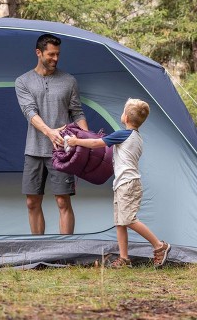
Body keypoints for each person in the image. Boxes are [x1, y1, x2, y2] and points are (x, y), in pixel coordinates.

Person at [67, 98, 171, 268]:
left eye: (123, 111)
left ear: (126, 118)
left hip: (127, 184)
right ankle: (124, 259)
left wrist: (76, 141)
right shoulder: (136, 137)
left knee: (128, 219)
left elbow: (95, 143)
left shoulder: (123, 134)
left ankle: (160, 246)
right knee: (120, 222)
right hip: (124, 183)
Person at [15, 33, 88, 235]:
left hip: (63, 152)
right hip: (34, 150)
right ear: (38, 53)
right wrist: (49, 132)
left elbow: (77, 112)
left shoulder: (69, 81)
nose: (55, 59)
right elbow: (29, 112)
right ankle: (39, 249)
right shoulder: (23, 81)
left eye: (58, 55)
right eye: (51, 54)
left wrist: (87, 140)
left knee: (63, 201)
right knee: (31, 202)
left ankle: (64, 253)